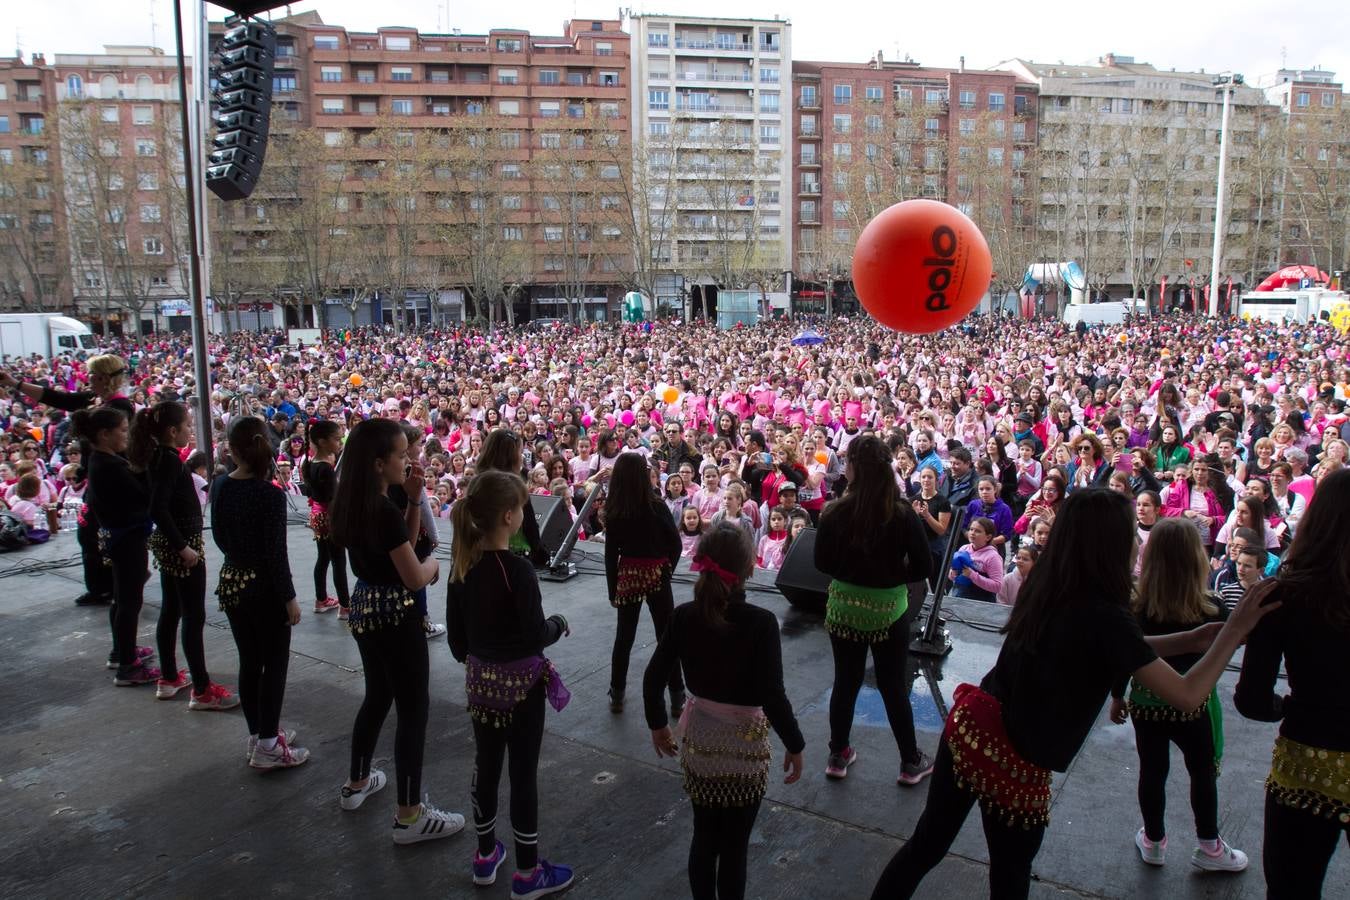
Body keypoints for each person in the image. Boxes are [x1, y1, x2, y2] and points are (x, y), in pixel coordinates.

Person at [869, 489, 1277, 900]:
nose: (1137, 539)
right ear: (1110, 543)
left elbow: (1115, 649)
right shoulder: (1105, 613)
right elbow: (1188, 694)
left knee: (926, 845)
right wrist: (1236, 630)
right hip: (1016, 760)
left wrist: (1197, 636)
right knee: (1010, 875)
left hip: (973, 729)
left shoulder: (1050, 581)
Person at [644, 524, 805, 900]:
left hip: (700, 744)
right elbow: (772, 695)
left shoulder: (684, 616)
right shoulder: (761, 623)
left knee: (704, 836)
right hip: (744, 750)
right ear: (749, 568)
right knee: (735, 847)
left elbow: (653, 678)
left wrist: (657, 725)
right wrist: (794, 744)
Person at [329, 418, 464, 843]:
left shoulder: (354, 502)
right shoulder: (379, 508)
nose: (408, 460)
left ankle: (357, 782)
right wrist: (436, 565)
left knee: (378, 696)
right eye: (402, 455)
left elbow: (400, 543)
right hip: (395, 615)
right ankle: (410, 814)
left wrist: (413, 501)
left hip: (367, 610)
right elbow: (412, 574)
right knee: (412, 709)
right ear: (377, 462)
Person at [446, 471, 574, 898]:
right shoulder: (517, 571)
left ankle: (485, 855)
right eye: (521, 508)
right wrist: (558, 624)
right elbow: (534, 634)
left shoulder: (461, 567)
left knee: (486, 764)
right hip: (521, 690)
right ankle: (527, 872)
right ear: (508, 516)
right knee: (522, 775)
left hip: (481, 686)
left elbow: (457, 644)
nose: (524, 514)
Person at [1108, 519, 1245, 871]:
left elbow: (1126, 654)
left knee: (1152, 771)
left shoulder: (1135, 607)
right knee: (1202, 772)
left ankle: (1154, 841)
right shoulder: (1213, 608)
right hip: (1195, 706)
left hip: (1147, 704)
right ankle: (1210, 846)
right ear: (1196, 559)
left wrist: (1117, 696)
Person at [814, 434, 933, 785]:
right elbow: (923, 567)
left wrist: (852, 575)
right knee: (893, 686)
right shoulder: (902, 514)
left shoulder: (834, 511)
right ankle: (910, 762)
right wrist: (891, 576)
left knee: (845, 682)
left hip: (844, 609)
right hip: (888, 609)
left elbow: (821, 562)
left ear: (852, 469)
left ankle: (838, 755)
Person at [211, 416, 308, 769]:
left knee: (250, 662)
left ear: (233, 451)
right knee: (275, 664)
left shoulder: (220, 485)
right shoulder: (269, 495)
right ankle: (269, 744)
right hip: (265, 589)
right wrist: (290, 597)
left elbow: (219, 537)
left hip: (233, 580)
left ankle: (259, 733)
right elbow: (275, 553)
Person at [130, 400, 237, 710]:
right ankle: (202, 689)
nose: (191, 431)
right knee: (192, 615)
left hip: (171, 542)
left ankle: (168, 676)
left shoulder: (159, 458)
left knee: (172, 609)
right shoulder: (168, 461)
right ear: (173, 430)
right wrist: (183, 546)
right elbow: (157, 508)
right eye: (188, 426)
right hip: (181, 544)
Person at [2, 357, 133, 607]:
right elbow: (57, 398)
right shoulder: (98, 401)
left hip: (112, 482)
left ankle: (114, 586)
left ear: (104, 378)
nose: (88, 379)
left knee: (104, 535)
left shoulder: (119, 407)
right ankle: (103, 586)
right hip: (97, 478)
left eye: (92, 375)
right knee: (89, 535)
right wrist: (14, 383)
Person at [74, 406, 157, 685]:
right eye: (122, 431)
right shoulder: (109, 466)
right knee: (129, 602)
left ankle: (122, 650)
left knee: (122, 598)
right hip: (127, 539)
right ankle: (128, 666)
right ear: (104, 434)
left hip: (118, 538)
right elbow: (144, 494)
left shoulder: (101, 461)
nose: (126, 436)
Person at [603, 453, 683, 715]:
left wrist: (613, 589)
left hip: (628, 576)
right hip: (656, 575)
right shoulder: (657, 506)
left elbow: (610, 554)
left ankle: (617, 693)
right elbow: (676, 543)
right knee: (667, 638)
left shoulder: (615, 512)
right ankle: (677, 697)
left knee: (624, 638)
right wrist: (667, 568)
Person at [479, 429, 550, 566]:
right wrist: (544, 556)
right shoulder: (516, 489)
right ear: (512, 457)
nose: (522, 457)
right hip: (515, 557)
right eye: (520, 452)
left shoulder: (477, 485)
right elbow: (531, 529)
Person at [302, 420, 349, 617]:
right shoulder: (326, 469)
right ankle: (345, 605)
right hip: (330, 518)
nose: (339, 443)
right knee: (338, 561)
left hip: (317, 516)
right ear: (322, 441)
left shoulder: (309, 464)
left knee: (323, 558)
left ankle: (321, 599)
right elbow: (332, 500)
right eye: (336, 439)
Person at [911, 466, 951, 590]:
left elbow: (941, 529)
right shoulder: (913, 500)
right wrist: (914, 515)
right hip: (917, 547)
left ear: (936, 480)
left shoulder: (942, 501)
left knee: (936, 585)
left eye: (930, 477)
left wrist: (927, 515)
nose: (926, 480)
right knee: (914, 585)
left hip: (934, 548)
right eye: (923, 477)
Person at [948, 517, 1004, 603]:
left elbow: (997, 586)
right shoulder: (964, 548)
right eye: (971, 529)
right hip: (958, 597)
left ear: (988, 537)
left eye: (978, 531)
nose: (972, 533)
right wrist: (953, 573)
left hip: (980, 603)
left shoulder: (993, 557)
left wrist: (972, 575)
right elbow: (953, 575)